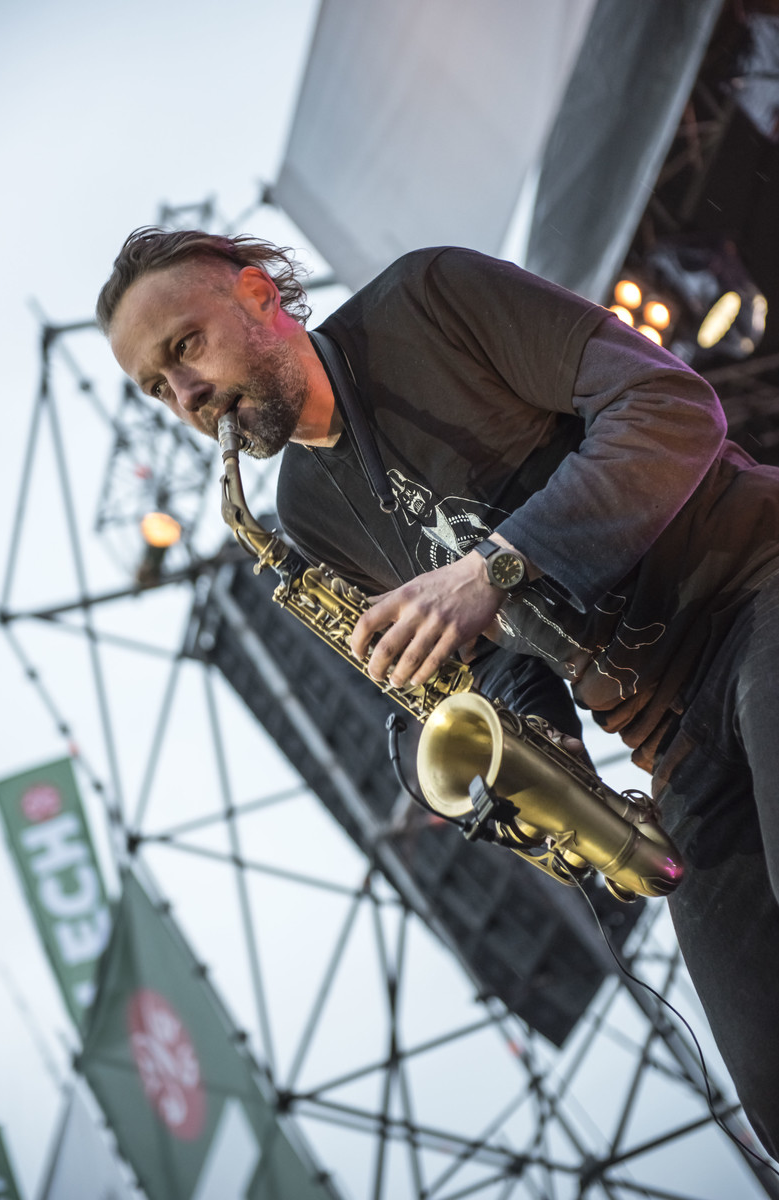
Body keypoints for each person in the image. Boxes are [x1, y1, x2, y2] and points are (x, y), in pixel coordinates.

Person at [97, 227, 779, 1160]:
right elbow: (493, 660)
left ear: (258, 296)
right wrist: (516, 750)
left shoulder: (427, 299)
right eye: (156, 387)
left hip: (755, 589)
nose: (185, 395)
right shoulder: (303, 514)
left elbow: (670, 407)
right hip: (670, 742)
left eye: (185, 347)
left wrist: (495, 566)